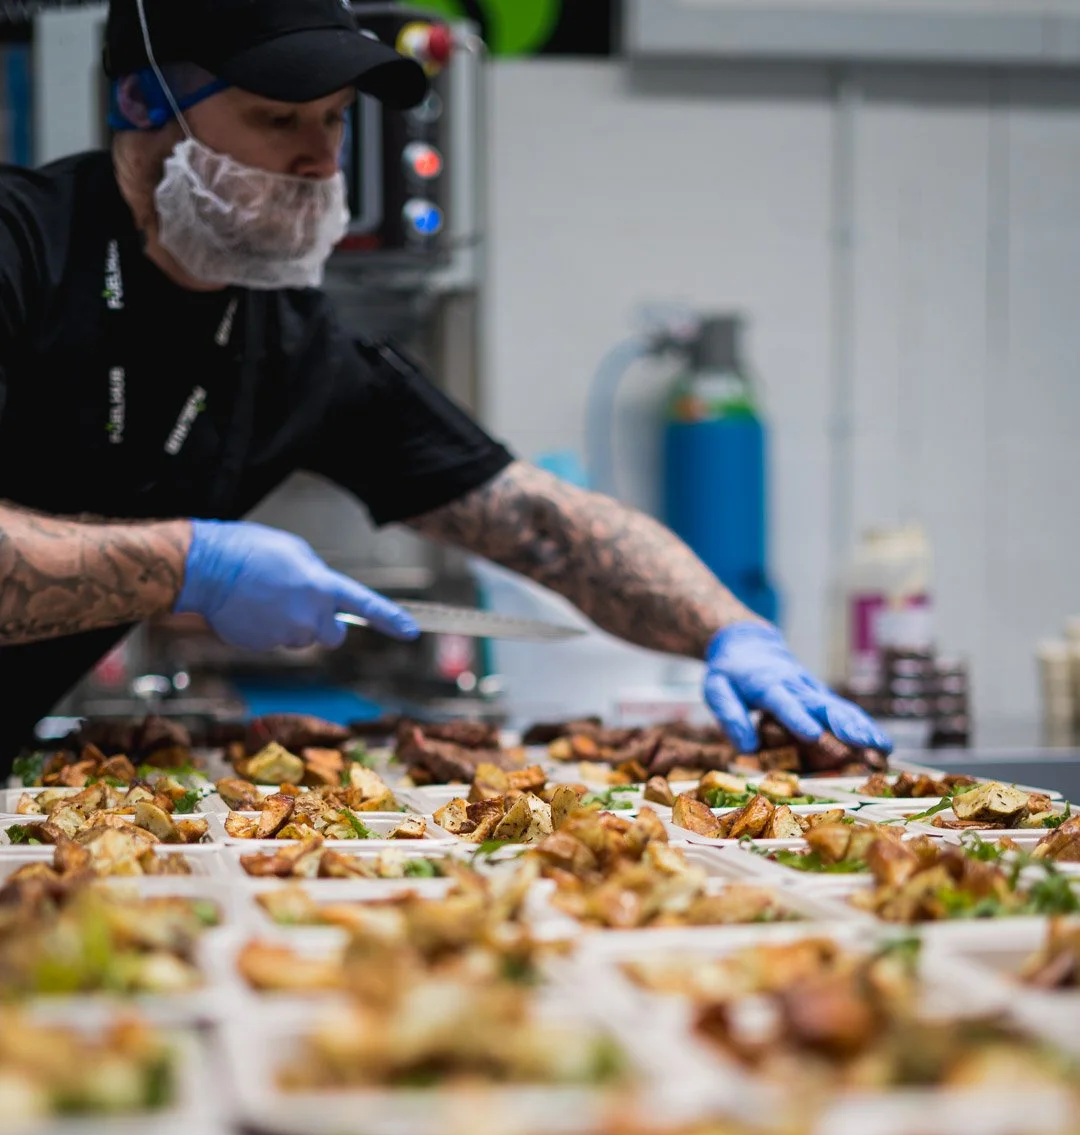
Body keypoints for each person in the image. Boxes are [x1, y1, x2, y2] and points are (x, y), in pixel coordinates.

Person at [0, 0, 889, 772]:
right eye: (278, 119)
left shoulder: (291, 344)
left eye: (336, 119)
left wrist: (728, 631)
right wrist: (188, 566)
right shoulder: (22, 249)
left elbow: (538, 525)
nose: (320, 160)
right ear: (141, 102)